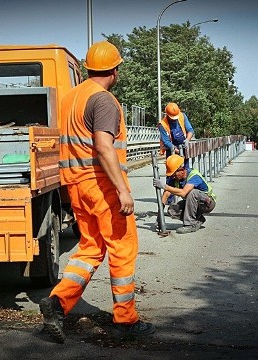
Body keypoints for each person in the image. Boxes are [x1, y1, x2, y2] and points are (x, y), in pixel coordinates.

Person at [39, 40, 155, 343]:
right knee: (122, 247)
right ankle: (125, 320)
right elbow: (104, 147)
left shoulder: (71, 98)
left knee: (91, 248)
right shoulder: (103, 100)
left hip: (76, 186)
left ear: (89, 68)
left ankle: (57, 303)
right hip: (101, 185)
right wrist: (123, 191)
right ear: (114, 70)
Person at [153, 154, 216, 234]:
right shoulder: (175, 179)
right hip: (193, 205)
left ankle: (190, 225)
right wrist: (160, 218)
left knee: (192, 192)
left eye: (174, 174)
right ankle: (198, 219)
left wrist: (164, 186)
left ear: (182, 170)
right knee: (172, 210)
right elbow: (165, 195)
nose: (173, 177)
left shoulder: (194, 176)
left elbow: (183, 193)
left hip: (207, 204)